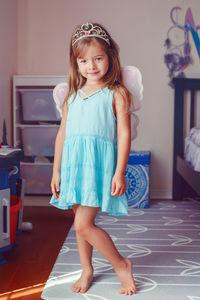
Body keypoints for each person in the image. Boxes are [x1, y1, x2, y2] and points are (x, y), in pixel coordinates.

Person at [50, 22, 136, 296]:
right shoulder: (71, 96)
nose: (92, 66)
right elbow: (62, 134)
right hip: (73, 167)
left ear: (110, 57)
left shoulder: (116, 93)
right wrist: (56, 171)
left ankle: (121, 264)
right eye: (84, 61)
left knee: (83, 224)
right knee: (80, 223)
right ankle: (87, 269)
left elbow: (124, 134)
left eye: (98, 58)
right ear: (76, 64)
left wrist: (119, 171)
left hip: (98, 167)